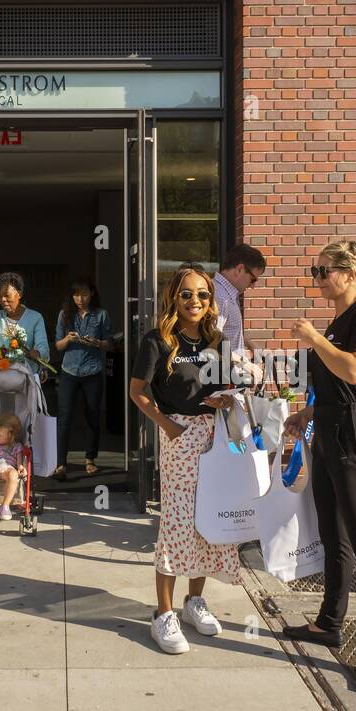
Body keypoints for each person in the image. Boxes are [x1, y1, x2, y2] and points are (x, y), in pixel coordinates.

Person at [283, 240, 356, 694]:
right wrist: (307, 415)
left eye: (322, 270)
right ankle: (329, 623)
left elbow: (355, 374)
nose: (317, 277)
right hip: (328, 432)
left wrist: (313, 338)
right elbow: (333, 382)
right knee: (332, 537)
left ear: (349, 274)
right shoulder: (340, 321)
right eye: (315, 270)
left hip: (355, 437)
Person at [128, 266, 238, 655]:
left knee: (206, 520)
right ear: (174, 297)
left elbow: (226, 387)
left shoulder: (217, 340)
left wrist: (226, 399)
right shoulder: (157, 340)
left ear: (211, 300)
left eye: (203, 295)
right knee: (176, 520)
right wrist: (166, 425)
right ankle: (163, 614)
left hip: (213, 435)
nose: (195, 302)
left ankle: (194, 602)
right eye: (187, 294)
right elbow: (137, 391)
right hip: (178, 435)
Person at [52, 280, 111, 480]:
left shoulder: (101, 314)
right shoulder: (64, 314)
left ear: (92, 293)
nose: (80, 299)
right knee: (64, 417)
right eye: (76, 295)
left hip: (92, 371)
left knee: (93, 416)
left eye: (84, 294)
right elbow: (58, 346)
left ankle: (90, 459)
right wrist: (68, 339)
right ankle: (61, 463)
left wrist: (96, 342)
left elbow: (110, 344)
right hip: (69, 370)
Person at [0, 272, 50, 378]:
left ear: (19, 293)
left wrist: (38, 354)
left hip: (27, 376)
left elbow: (43, 347)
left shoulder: (36, 318)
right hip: (0, 375)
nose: (2, 300)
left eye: (7, 295)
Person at [212, 244, 266, 360]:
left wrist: (248, 343)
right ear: (239, 269)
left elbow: (225, 331)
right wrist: (245, 364)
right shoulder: (221, 298)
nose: (253, 286)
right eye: (253, 280)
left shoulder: (227, 293)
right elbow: (213, 345)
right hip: (224, 375)